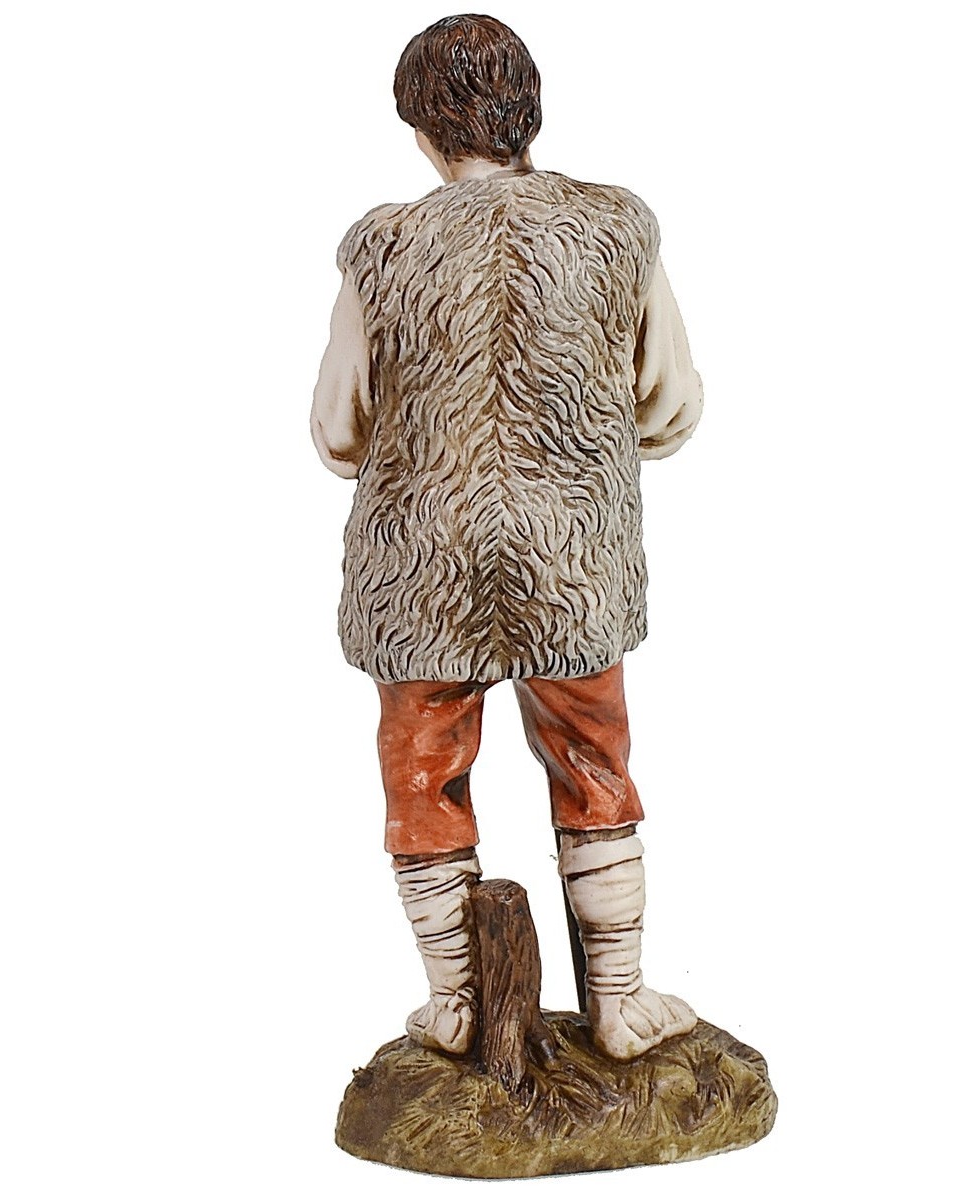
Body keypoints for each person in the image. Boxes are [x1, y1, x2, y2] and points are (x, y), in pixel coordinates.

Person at [311, 14, 704, 1061]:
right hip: (571, 556)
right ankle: (617, 998)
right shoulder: (618, 226)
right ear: (530, 111)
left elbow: (338, 430)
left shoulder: (381, 246)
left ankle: (454, 1001)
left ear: (421, 127)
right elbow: (670, 405)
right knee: (594, 758)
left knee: (422, 769)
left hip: (419, 565)